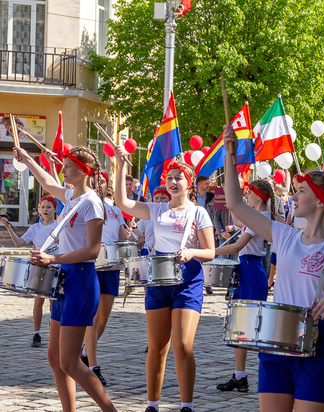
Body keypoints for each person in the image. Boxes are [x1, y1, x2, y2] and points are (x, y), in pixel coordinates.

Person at [222, 125, 324, 412]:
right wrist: (229, 156)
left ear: (321, 202)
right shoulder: (284, 235)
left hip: (318, 342)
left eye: (301, 192)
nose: (293, 197)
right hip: (276, 339)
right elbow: (234, 203)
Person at [13, 145, 116, 411]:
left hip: (80, 278)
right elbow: (46, 180)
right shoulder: (71, 195)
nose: (63, 170)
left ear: (83, 172)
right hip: (64, 278)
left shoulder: (92, 202)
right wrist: (26, 158)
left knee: (70, 361)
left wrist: (53, 259)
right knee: (54, 357)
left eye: (68, 167)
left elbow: (93, 251)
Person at [114, 147, 215, 412]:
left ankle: (186, 405)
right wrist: (120, 165)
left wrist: (191, 252)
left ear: (189, 183)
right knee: (157, 346)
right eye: (169, 178)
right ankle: (152, 404)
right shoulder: (157, 209)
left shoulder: (198, 213)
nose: (172, 182)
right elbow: (122, 203)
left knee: (182, 345)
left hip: (188, 280)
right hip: (158, 280)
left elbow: (210, 251)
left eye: (178, 178)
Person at [215, 180, 274, 392]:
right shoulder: (258, 217)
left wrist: (209, 252)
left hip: (252, 270)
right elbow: (240, 221)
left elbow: (239, 244)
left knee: (253, 326)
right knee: (240, 326)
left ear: (258, 197)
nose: (247, 196)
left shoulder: (261, 218)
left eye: (249, 193)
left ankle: (267, 376)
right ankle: (240, 376)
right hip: (248, 269)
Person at [80, 171, 128, 386]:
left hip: (111, 266)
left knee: (103, 320)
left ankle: (83, 351)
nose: (99, 183)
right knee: (93, 317)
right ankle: (93, 365)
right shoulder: (85, 204)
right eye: (95, 180)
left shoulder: (115, 210)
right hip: (91, 264)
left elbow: (122, 238)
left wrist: (134, 239)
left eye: (102, 180)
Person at [1, 196, 58, 348]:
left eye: (49, 207)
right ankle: (37, 333)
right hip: (39, 267)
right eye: (43, 207)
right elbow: (19, 243)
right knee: (38, 301)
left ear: (55, 209)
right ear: (39, 209)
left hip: (55, 266)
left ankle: (54, 334)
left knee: (55, 304)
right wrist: (8, 228)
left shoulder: (60, 227)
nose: (45, 210)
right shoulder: (35, 228)